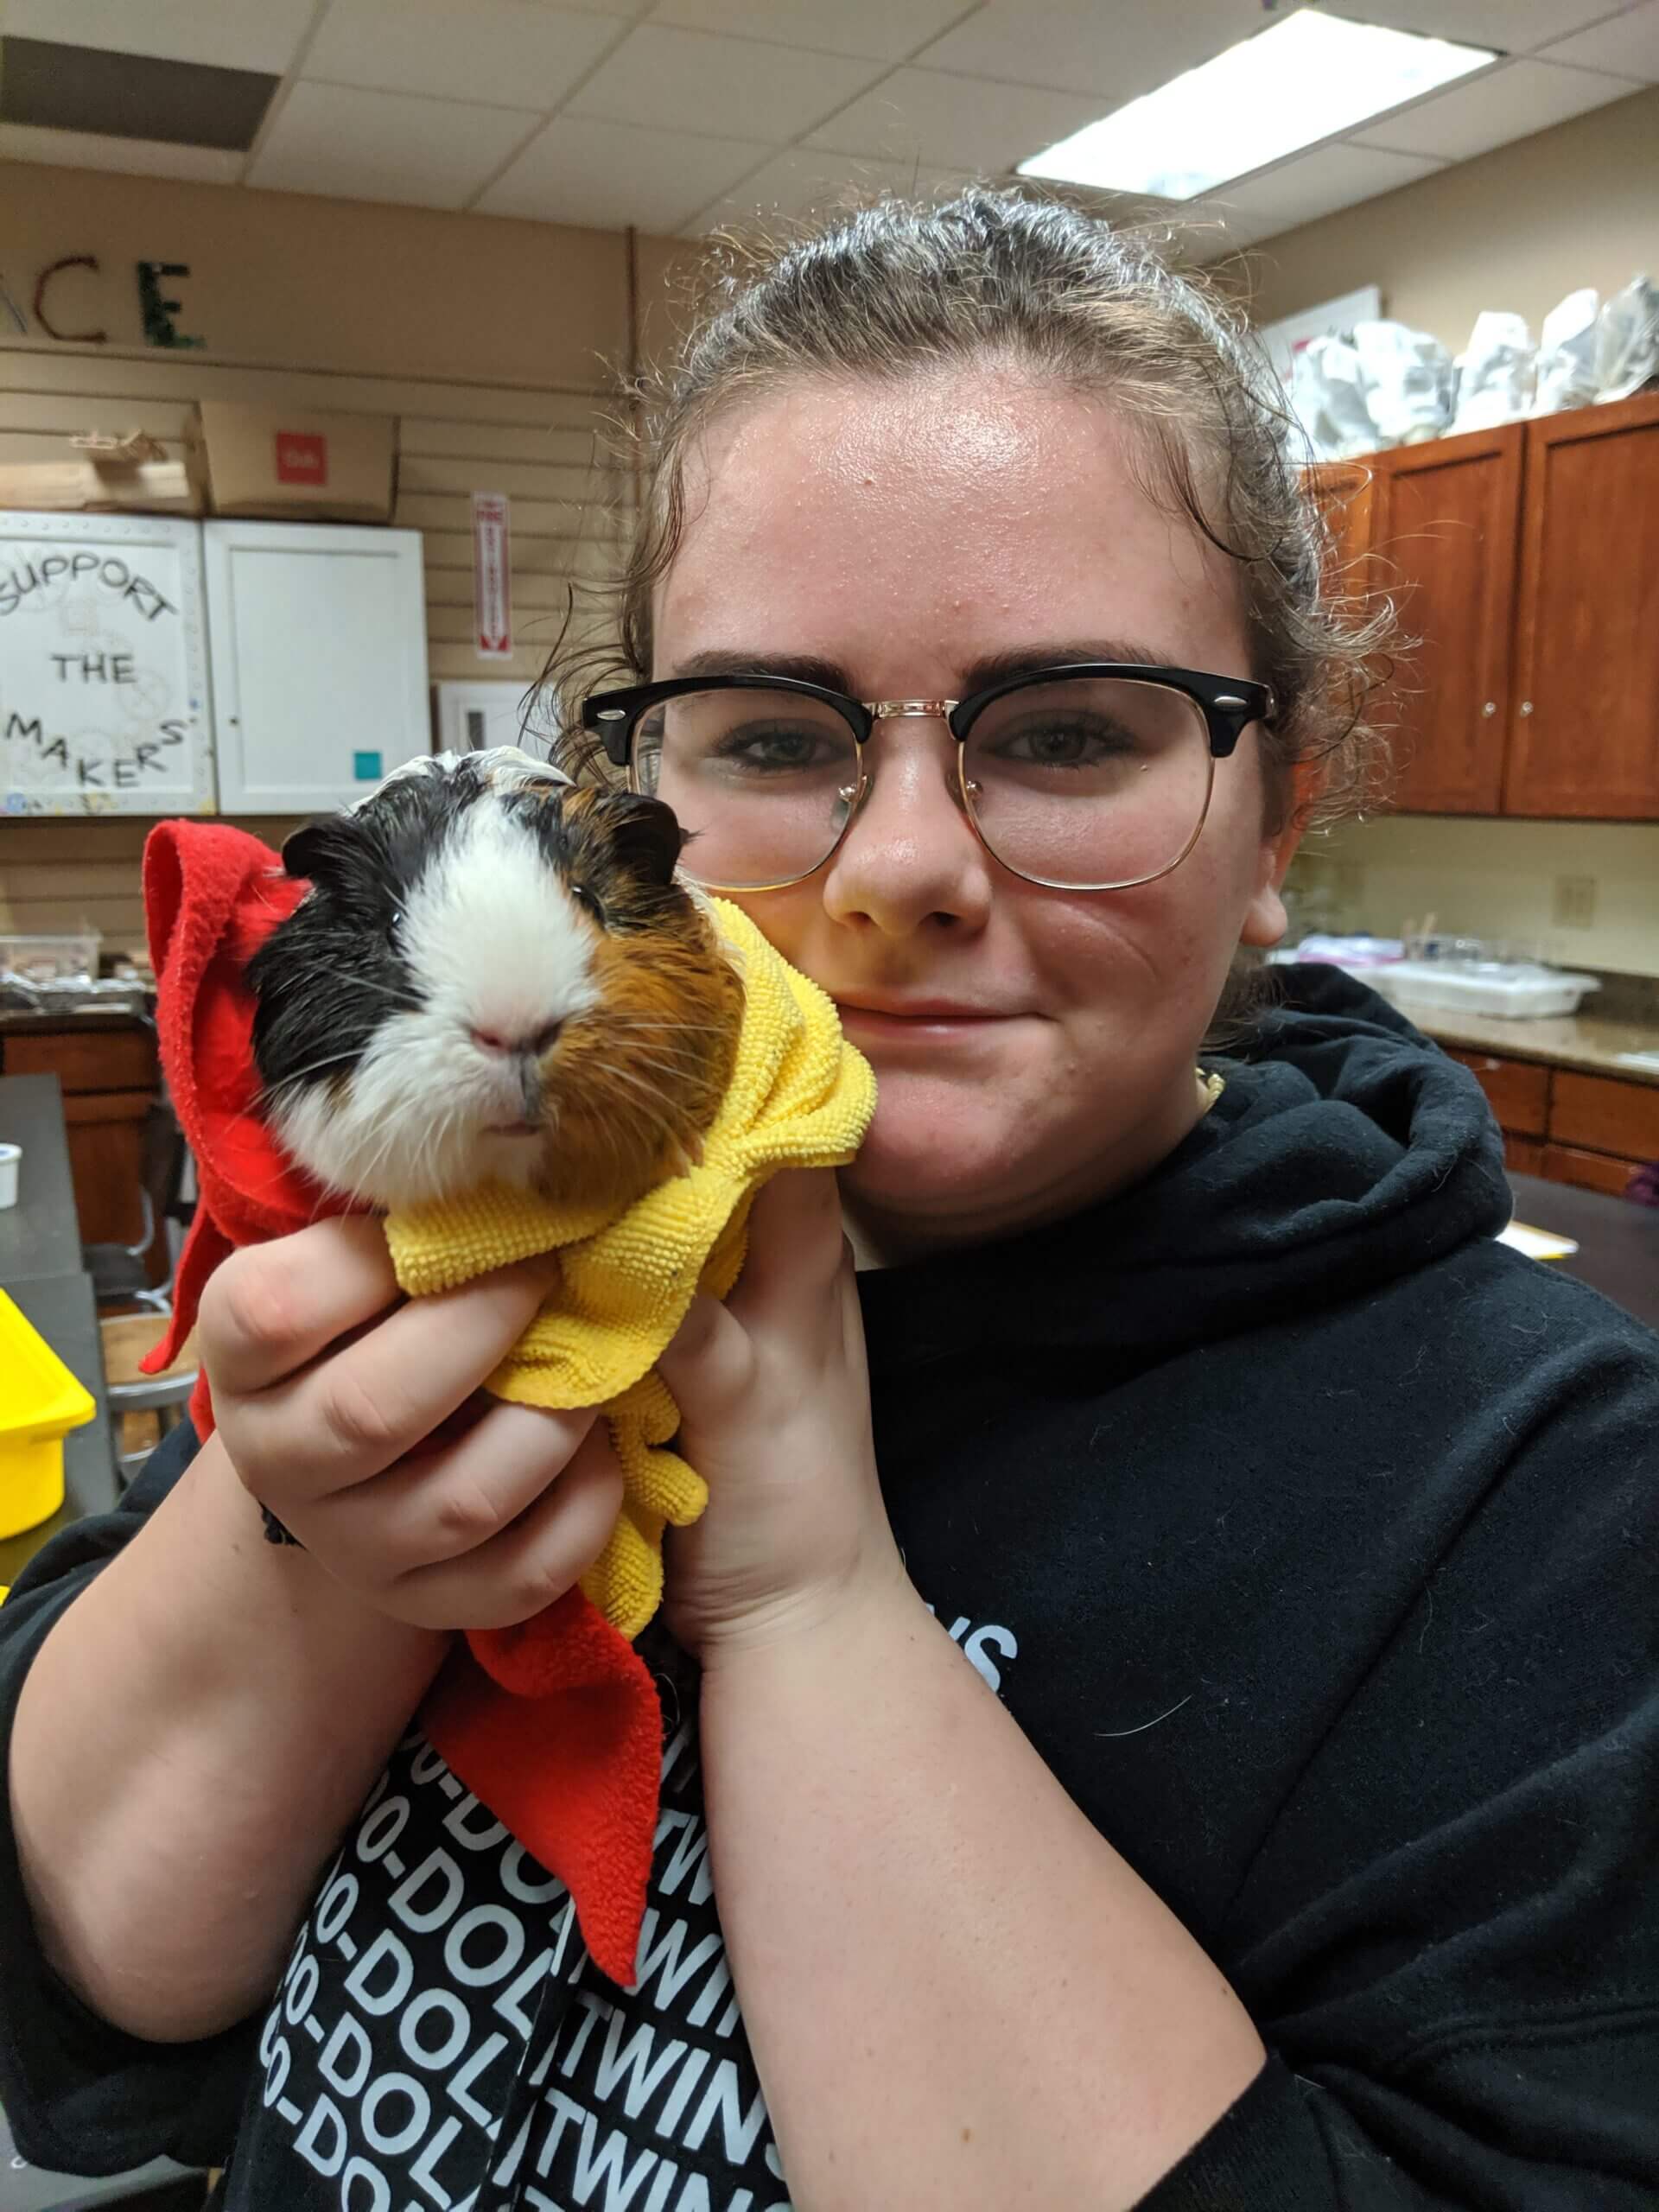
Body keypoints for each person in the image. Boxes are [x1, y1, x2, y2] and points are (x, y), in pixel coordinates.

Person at [3, 188, 1656, 2211]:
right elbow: (86, 1993)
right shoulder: (465, 1224)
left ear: (1275, 813)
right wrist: (326, 1526)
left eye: (1064, 733)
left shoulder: (1558, 1495)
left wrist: (805, 1593)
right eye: (776, 734)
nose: (900, 864)